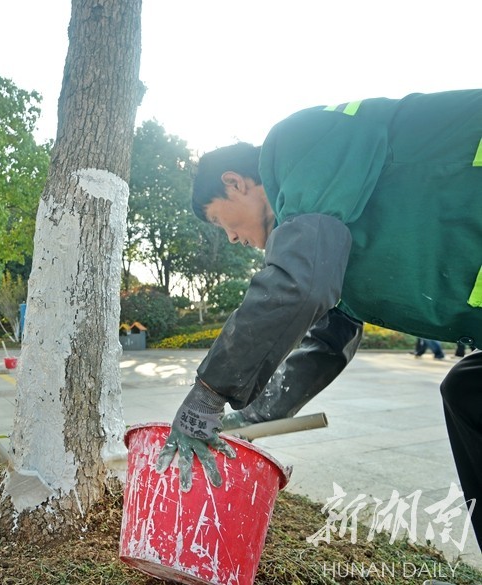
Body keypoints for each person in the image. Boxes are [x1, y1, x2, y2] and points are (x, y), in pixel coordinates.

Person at [155, 90, 482, 550]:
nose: (230, 237)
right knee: (470, 393)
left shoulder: (296, 145)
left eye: (218, 220)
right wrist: (250, 418)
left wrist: (208, 393)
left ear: (235, 182)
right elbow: (329, 338)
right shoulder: (330, 235)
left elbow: (299, 283)